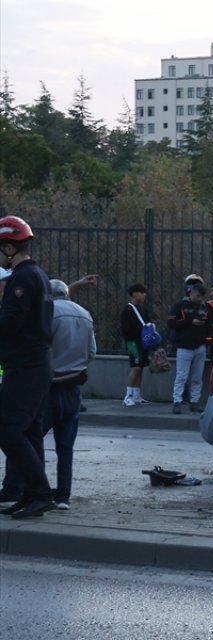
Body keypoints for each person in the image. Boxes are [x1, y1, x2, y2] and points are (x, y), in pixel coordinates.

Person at [1, 279, 96, 510]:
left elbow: (40, 347)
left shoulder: (48, 313)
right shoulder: (84, 314)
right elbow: (92, 351)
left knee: (25, 440)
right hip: (73, 387)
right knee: (66, 446)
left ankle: (17, 489)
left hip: (47, 386)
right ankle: (63, 495)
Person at [0, 215, 57, 518]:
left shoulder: (22, 278)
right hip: (37, 363)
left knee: (7, 430)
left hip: (25, 365)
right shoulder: (40, 275)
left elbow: (10, 323)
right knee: (31, 431)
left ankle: (38, 491)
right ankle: (32, 494)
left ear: (9, 247)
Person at [167, 281, 209, 414]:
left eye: (202, 296)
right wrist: (190, 322)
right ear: (191, 293)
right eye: (198, 295)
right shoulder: (180, 306)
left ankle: (195, 401)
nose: (200, 298)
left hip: (199, 346)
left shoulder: (203, 307)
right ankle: (177, 401)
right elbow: (171, 322)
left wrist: (207, 341)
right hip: (184, 346)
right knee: (182, 376)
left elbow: (208, 325)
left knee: (197, 377)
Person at [120, 283, 155, 407]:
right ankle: (128, 396)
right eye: (141, 292)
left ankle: (136, 395)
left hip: (143, 342)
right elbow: (126, 329)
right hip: (133, 343)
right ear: (134, 294)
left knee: (141, 368)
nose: (144, 295)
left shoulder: (143, 309)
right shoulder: (128, 309)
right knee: (135, 367)